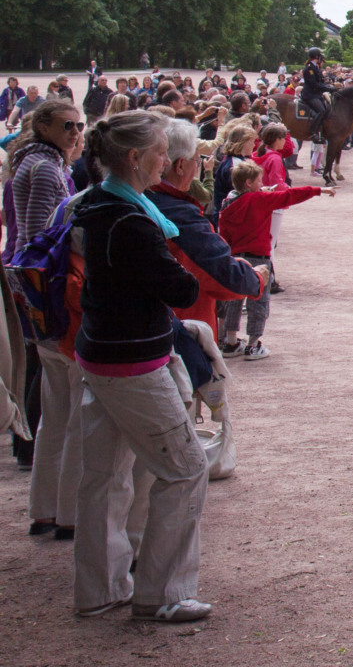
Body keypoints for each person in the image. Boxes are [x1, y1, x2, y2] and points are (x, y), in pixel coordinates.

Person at [71, 110, 211, 622]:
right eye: (158, 152)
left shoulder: (95, 204)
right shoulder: (133, 220)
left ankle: (100, 588)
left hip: (101, 352)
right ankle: (163, 592)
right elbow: (181, 287)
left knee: (104, 477)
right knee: (185, 470)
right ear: (135, 158)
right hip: (133, 360)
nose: (166, 161)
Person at [10, 99, 82, 541]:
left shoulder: (37, 161)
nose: (75, 133)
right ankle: (68, 512)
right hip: (51, 295)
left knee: (54, 414)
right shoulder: (44, 168)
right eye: (67, 126)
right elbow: (40, 238)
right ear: (42, 126)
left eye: (79, 126)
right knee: (70, 412)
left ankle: (46, 509)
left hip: (41, 296)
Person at [146, 118, 266, 347]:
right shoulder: (180, 213)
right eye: (197, 160)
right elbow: (224, 278)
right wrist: (257, 277)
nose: (199, 166)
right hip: (179, 334)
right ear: (180, 165)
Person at [217, 162, 333, 360]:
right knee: (258, 303)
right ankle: (253, 344)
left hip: (235, 256)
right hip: (258, 257)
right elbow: (289, 195)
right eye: (258, 180)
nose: (262, 183)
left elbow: (224, 234)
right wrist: (317, 190)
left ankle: (230, 342)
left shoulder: (227, 204)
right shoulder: (260, 199)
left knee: (234, 301)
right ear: (248, 182)